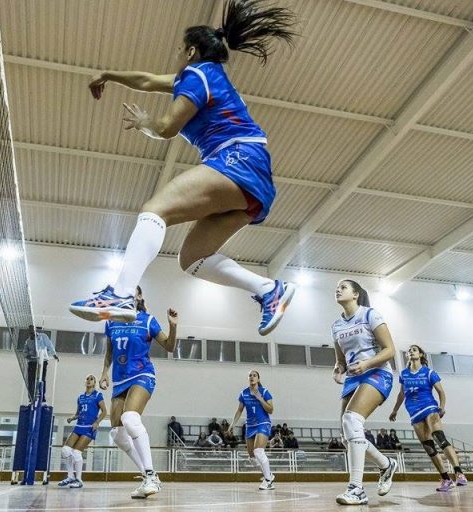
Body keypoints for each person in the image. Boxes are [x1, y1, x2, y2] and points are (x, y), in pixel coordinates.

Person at [69, 0, 298, 336]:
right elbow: (146, 80)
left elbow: (166, 128)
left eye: (179, 50)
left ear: (190, 52)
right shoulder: (205, 76)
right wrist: (109, 75)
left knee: (155, 209)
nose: (176, 56)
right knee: (193, 259)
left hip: (237, 157)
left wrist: (147, 122)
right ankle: (269, 290)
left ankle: (120, 295)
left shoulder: (197, 74)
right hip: (250, 174)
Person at [98, 286, 177, 499]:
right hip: (120, 380)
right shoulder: (111, 321)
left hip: (142, 375)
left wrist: (173, 326)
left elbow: (169, 346)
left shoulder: (147, 320)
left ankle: (151, 476)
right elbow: (109, 352)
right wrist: (104, 372)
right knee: (117, 433)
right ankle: (147, 476)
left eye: (131, 291)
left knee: (130, 419)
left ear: (139, 296)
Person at [332, 280, 397, 506]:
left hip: (378, 372)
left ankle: (357, 489)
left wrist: (367, 363)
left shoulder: (370, 315)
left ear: (356, 294)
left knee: (352, 420)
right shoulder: (336, 326)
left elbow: (390, 350)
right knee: (348, 436)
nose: (338, 290)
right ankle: (386, 465)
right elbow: (341, 360)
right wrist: (338, 368)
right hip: (353, 377)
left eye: (343, 287)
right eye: (337, 288)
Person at [390, 344, 469, 491]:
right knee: (429, 447)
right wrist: (394, 410)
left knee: (439, 438)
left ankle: (459, 473)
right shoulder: (404, 374)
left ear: (420, 354)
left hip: (429, 407)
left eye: (414, 350)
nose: (411, 352)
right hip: (414, 412)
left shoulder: (429, 372)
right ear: (407, 356)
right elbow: (402, 394)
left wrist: (442, 407)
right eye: (409, 351)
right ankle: (446, 479)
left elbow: (441, 392)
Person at [58, 374, 107, 489]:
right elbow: (78, 413)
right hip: (79, 426)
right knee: (65, 451)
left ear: (94, 383)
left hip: (89, 427)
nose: (89, 380)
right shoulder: (80, 397)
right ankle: (70, 477)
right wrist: (72, 418)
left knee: (76, 453)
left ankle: (79, 479)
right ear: (85, 382)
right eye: (87, 379)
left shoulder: (98, 395)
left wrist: (97, 422)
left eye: (92, 379)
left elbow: (104, 412)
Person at [229, 370, 275, 491]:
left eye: (254, 375)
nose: (252, 377)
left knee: (259, 451)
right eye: (250, 375)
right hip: (250, 425)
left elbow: (270, 410)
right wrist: (232, 424)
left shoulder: (264, 392)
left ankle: (268, 481)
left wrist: (260, 398)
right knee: (252, 457)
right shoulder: (243, 393)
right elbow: (239, 410)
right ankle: (269, 474)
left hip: (263, 423)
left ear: (258, 379)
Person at [23, 326, 59, 402]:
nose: (31, 335)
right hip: (32, 362)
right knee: (31, 380)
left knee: (42, 379)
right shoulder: (28, 341)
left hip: (43, 361)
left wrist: (54, 354)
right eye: (30, 333)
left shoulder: (43, 336)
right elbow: (25, 352)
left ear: (35, 331)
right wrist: (27, 356)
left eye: (32, 333)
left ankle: (42, 397)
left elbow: (50, 345)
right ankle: (31, 397)